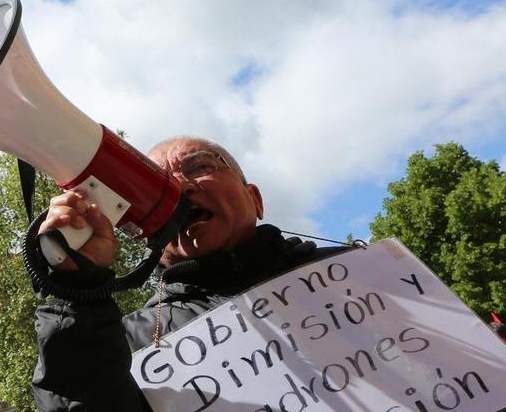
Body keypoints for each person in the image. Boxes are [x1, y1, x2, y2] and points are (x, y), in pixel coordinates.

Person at [31, 136, 350, 411]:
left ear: (255, 199)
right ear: (142, 231)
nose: (180, 188)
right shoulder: (123, 343)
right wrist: (76, 289)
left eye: (201, 167)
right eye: (155, 184)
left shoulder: (359, 271)